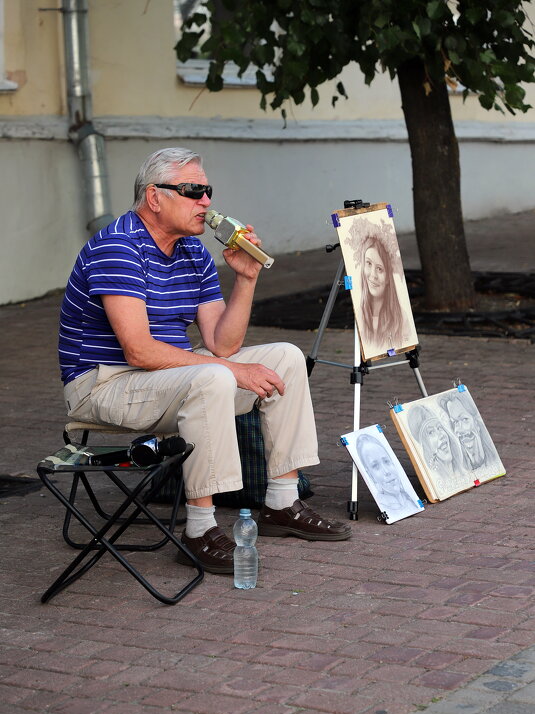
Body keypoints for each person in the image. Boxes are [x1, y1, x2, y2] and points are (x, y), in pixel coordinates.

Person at [58, 147, 351, 575]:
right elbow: (138, 350)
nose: (207, 202)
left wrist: (246, 278)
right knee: (213, 376)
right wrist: (229, 371)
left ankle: (282, 503)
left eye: (207, 191)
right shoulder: (117, 246)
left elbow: (222, 344)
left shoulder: (193, 252)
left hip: (167, 378)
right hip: (103, 383)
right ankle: (199, 530)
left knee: (286, 357)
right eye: (194, 191)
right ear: (154, 197)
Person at [357, 235, 405, 354]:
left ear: (389, 277)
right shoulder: (359, 314)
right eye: (368, 263)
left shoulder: (401, 319)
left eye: (379, 269)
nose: (373, 275)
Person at [355, 433, 420, 520]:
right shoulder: (385, 505)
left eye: (386, 461)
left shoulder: (409, 497)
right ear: (370, 475)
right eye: (376, 466)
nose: (386, 471)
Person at [439, 391, 497, 472]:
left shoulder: (493, 460)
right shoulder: (458, 468)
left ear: (476, 421)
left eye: (464, 419)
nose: (457, 430)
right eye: (455, 422)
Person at [407, 404, 465, 483]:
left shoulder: (463, 470)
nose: (441, 435)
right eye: (431, 432)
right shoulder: (434, 479)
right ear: (424, 446)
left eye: (439, 428)